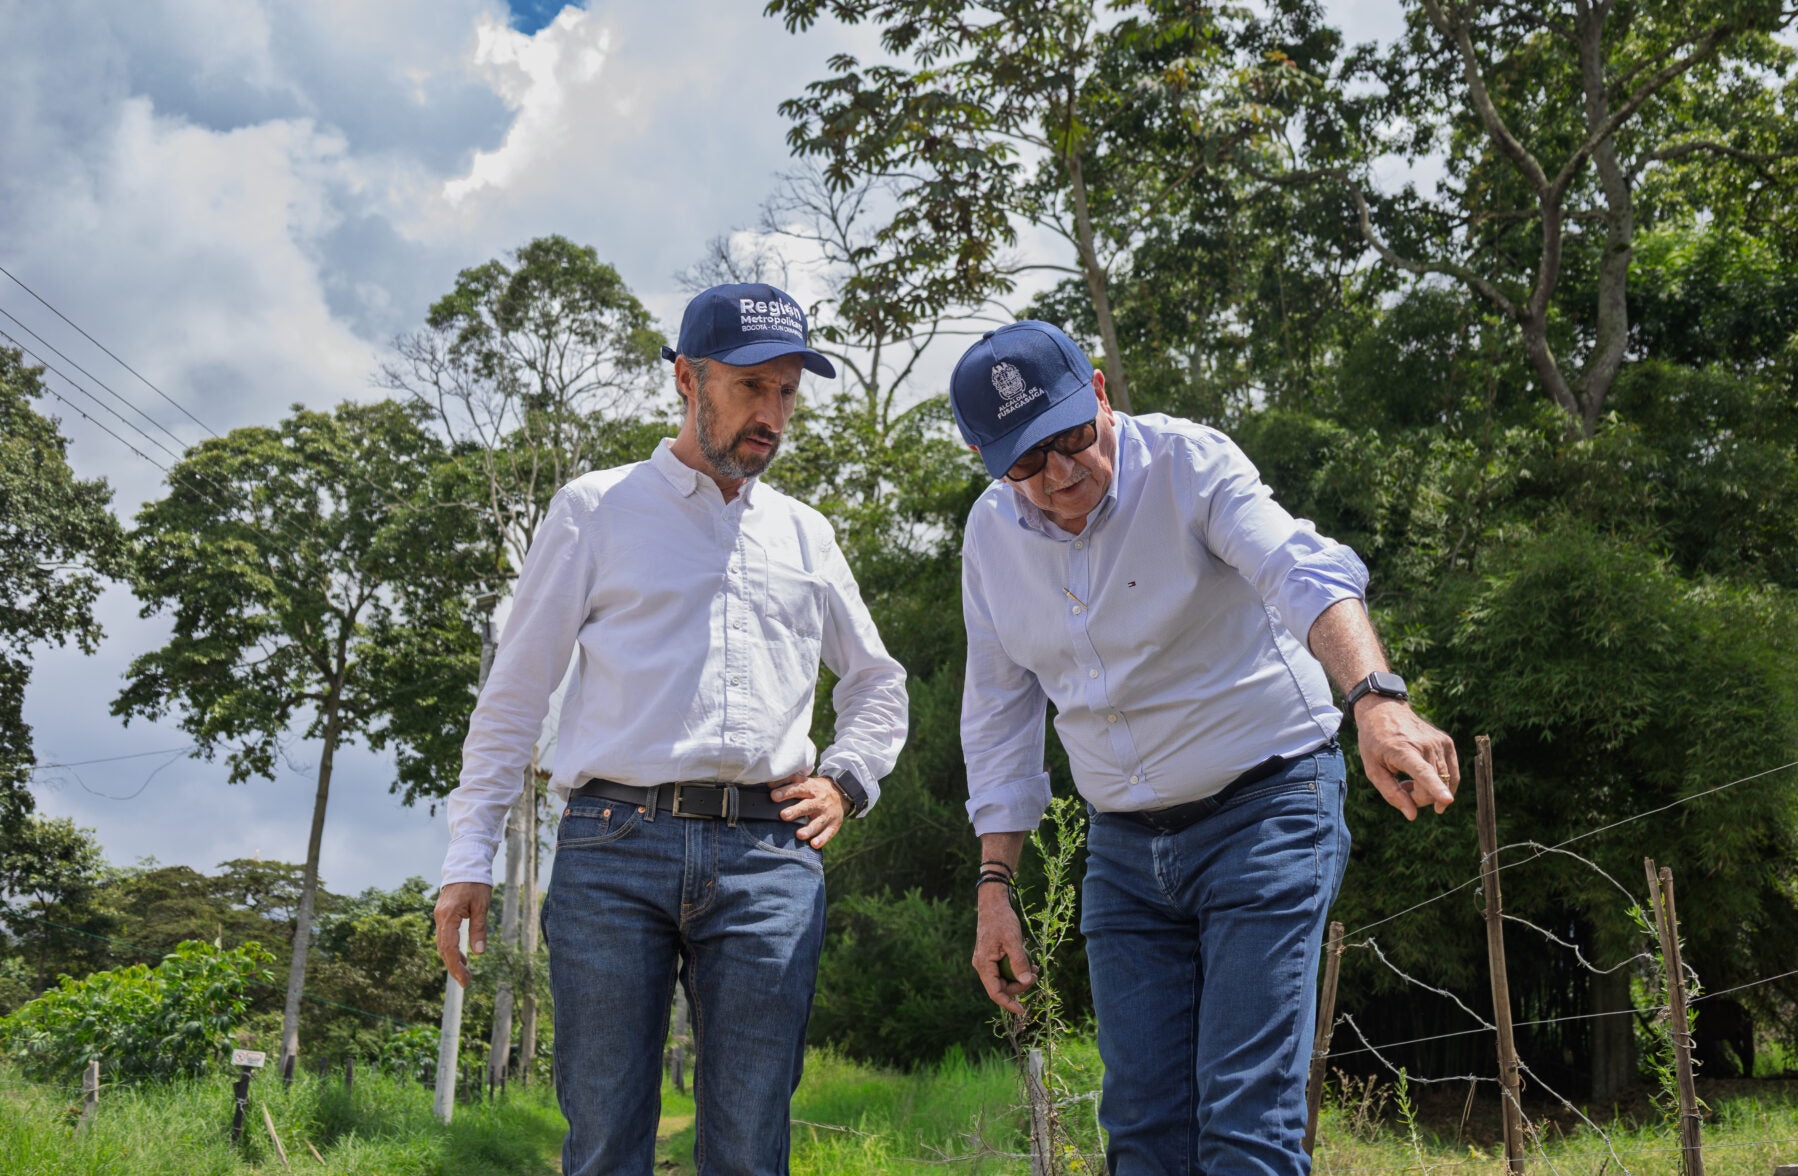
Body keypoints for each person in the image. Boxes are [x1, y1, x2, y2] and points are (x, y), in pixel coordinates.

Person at [949, 320, 1456, 1176]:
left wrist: (1374, 698)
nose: (1062, 474)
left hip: (1265, 811)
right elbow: (998, 713)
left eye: (1072, 437)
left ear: (1101, 392)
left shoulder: (1188, 464)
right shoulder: (990, 538)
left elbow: (1302, 569)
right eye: (1026, 464)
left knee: (1242, 1116)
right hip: (1123, 849)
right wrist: (995, 882)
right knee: (1143, 1129)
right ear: (985, 458)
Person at [433, 283, 909, 1176]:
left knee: (749, 1144)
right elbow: (514, 697)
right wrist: (469, 858)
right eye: (750, 387)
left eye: (787, 392)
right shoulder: (593, 509)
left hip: (770, 857)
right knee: (608, 1137)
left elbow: (880, 683)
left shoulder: (808, 536)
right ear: (686, 380)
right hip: (613, 847)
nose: (772, 413)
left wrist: (847, 780)